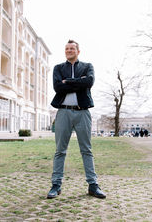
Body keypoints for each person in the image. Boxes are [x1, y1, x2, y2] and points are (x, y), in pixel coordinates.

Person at [47, 40, 106, 199]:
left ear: (78, 51)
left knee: (86, 150)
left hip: (82, 113)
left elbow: (89, 82)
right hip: (63, 112)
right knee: (60, 150)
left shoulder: (87, 66)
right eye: (66, 48)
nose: (69, 50)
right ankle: (56, 185)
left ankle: (93, 185)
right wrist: (78, 82)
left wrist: (68, 81)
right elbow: (58, 87)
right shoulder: (58, 68)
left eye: (72, 48)